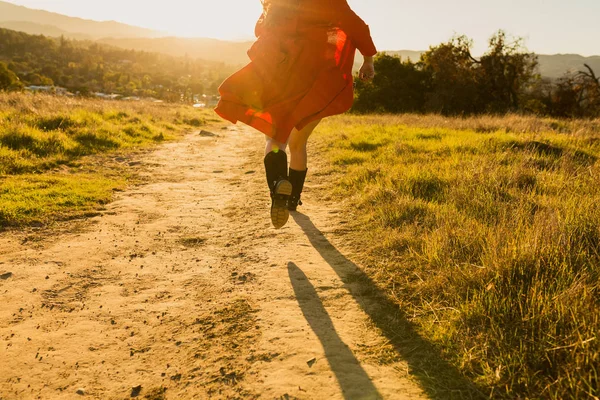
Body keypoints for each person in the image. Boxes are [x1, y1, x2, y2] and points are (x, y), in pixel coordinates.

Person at [215, 0, 377, 229]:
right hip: (317, 79)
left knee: (275, 136)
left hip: (280, 74)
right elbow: (356, 25)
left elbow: (261, 30)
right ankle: (292, 201)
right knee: (299, 142)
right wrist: (368, 60)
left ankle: (279, 182)